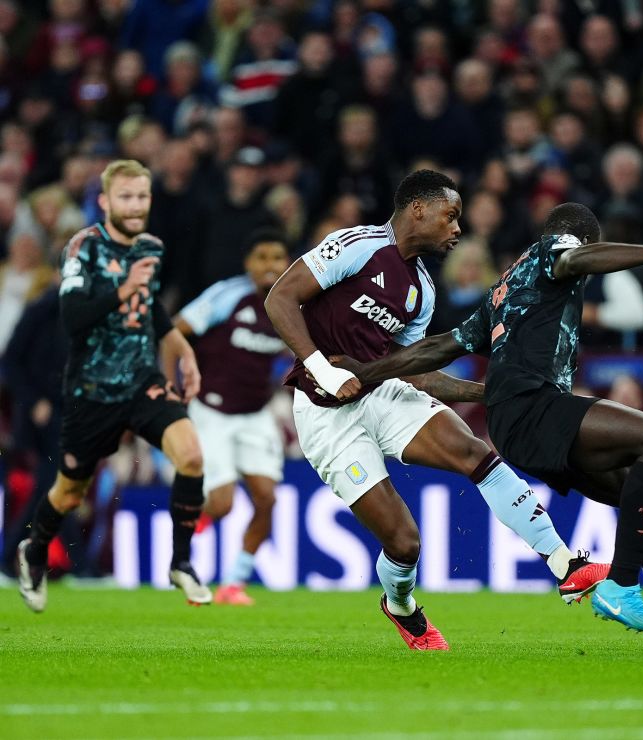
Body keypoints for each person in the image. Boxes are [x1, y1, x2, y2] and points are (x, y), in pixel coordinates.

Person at [330, 203, 643, 654]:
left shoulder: (503, 289)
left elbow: (438, 347)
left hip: (516, 425)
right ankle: (621, 586)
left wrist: (368, 371)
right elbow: (573, 259)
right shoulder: (554, 249)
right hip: (536, 408)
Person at [263, 171, 606, 651]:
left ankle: (564, 563)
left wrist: (496, 391)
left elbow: (416, 372)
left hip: (380, 394)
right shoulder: (357, 245)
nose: (458, 228)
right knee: (405, 544)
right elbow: (280, 297)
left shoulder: (421, 290)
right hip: (325, 415)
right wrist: (320, 367)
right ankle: (400, 605)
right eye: (451, 215)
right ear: (418, 208)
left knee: (474, 452)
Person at [17, 159, 211, 612]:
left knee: (192, 455)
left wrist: (182, 349)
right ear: (104, 201)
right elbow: (73, 318)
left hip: (142, 381)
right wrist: (123, 288)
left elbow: (151, 311)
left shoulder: (151, 248)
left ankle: (181, 562)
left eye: (142, 196)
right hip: (92, 391)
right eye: (126, 196)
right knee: (68, 491)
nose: (136, 205)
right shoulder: (83, 248)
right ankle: (33, 549)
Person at [171, 229, 291, 606]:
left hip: (255, 413)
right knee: (222, 504)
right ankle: (187, 542)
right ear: (248, 264)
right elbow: (176, 329)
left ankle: (233, 585)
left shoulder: (293, 303)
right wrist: (175, 377)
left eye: (277, 257)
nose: (270, 265)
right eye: (262, 257)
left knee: (267, 499)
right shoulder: (229, 294)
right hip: (211, 411)